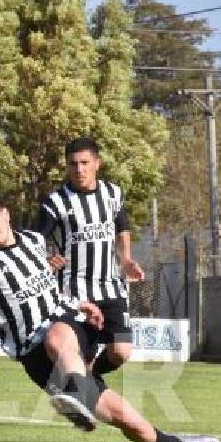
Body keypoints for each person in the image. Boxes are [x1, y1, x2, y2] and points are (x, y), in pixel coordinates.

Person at [0, 185, 219, 442]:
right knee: (131, 423)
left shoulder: (33, 241)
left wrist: (79, 304)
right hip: (35, 357)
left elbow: (47, 289)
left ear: (6, 214)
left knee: (58, 336)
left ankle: (75, 391)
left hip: (65, 328)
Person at [35, 137, 143, 382]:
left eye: (84, 163)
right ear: (67, 166)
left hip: (111, 288)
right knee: (73, 350)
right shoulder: (55, 203)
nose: (79, 169)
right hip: (74, 293)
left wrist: (126, 259)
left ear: (97, 163)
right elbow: (34, 239)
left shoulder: (112, 193)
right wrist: (46, 259)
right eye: (73, 164)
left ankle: (89, 375)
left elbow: (122, 226)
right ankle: (81, 382)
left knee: (121, 351)